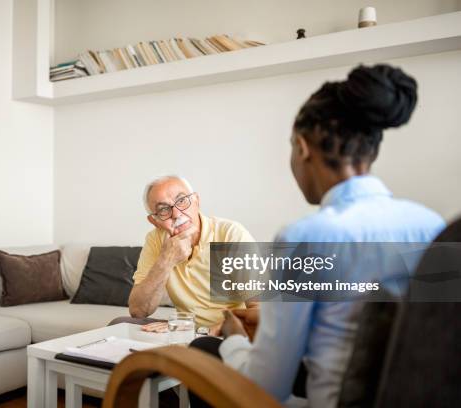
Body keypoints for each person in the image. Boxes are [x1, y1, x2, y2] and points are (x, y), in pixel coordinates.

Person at [190, 64, 445, 407]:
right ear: (372, 151)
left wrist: (234, 340)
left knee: (205, 350)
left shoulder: (305, 237)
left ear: (302, 147)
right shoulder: (433, 226)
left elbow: (266, 389)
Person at [109, 175, 255, 333]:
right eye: (163, 209)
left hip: (226, 330)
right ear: (154, 220)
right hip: (185, 328)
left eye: (182, 200)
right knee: (120, 324)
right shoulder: (155, 240)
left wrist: (207, 331)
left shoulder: (230, 234)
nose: (177, 214)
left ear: (197, 201)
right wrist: (166, 259)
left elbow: (261, 309)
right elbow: (138, 310)